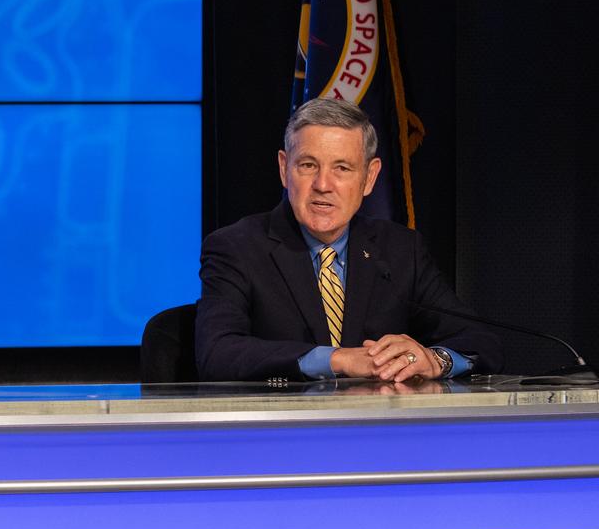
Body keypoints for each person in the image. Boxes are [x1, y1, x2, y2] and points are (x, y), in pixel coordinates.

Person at [195, 98, 502, 383]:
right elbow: (218, 351)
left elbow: (480, 341)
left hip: (378, 433)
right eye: (308, 165)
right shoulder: (236, 247)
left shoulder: (399, 249)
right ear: (284, 168)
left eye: (342, 168)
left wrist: (436, 360)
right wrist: (337, 359)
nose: (323, 185)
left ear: (369, 177)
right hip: (282, 433)